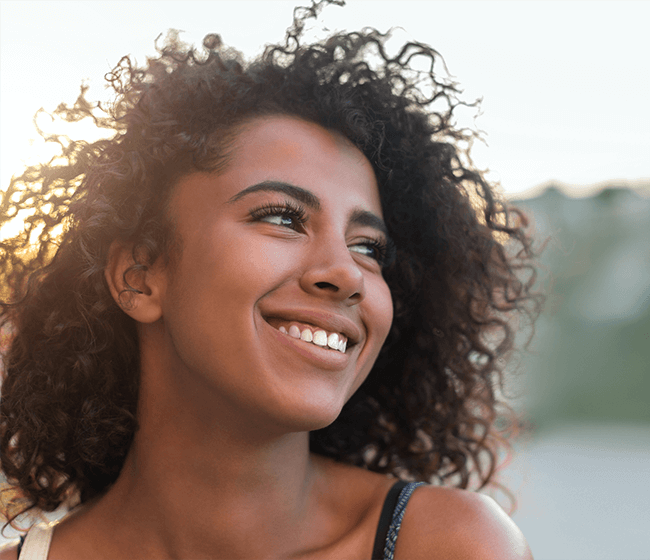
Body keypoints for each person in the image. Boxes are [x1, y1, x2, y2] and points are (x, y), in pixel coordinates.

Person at [0, 1, 541, 558]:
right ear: (140, 277)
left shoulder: (448, 546)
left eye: (368, 247)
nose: (346, 274)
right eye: (282, 218)